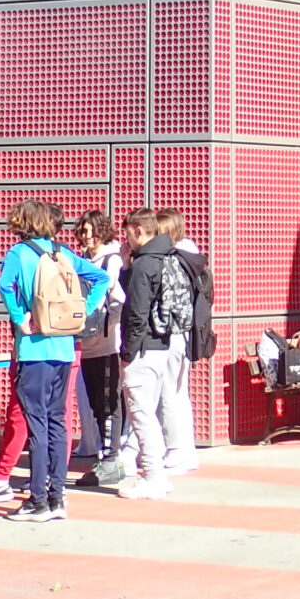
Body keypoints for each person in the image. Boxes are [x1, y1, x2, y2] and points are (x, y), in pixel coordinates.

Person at [0, 198, 110, 522]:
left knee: (36, 424)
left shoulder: (18, 254)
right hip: (64, 348)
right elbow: (101, 278)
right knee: (58, 421)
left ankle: (37, 500)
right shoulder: (63, 253)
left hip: (33, 350)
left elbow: (5, 286)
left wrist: (20, 317)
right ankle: (57, 496)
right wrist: (83, 311)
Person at [117, 209, 180, 498]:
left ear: (138, 232)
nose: (126, 239)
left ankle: (152, 476)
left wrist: (127, 352)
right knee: (149, 412)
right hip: (162, 343)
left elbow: (137, 312)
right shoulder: (168, 257)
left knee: (141, 414)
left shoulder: (145, 264)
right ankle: (157, 475)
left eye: (127, 233)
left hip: (142, 349)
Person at [154, 208, 214, 477]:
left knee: (168, 394)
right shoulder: (193, 259)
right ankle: (186, 451)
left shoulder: (172, 260)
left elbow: (167, 302)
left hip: (170, 332)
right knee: (180, 394)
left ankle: (176, 451)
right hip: (187, 333)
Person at [73, 211, 126, 486]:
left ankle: (111, 459)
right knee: (95, 404)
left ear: (102, 231)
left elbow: (119, 301)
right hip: (87, 345)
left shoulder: (111, 260)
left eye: (89, 231)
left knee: (108, 403)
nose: (85, 237)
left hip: (107, 344)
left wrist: (105, 325)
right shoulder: (83, 261)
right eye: (81, 231)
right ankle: (106, 457)